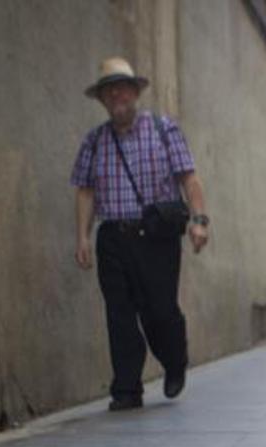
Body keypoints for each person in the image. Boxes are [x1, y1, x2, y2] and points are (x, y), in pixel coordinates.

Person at [70, 57, 210, 411]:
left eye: (122, 87)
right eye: (108, 89)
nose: (116, 94)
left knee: (160, 312)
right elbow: (85, 191)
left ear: (135, 92)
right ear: (102, 99)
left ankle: (174, 362)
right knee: (119, 314)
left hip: (157, 237)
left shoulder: (164, 130)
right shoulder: (94, 141)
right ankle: (127, 388)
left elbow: (188, 179)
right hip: (114, 237)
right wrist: (83, 237)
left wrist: (200, 220)